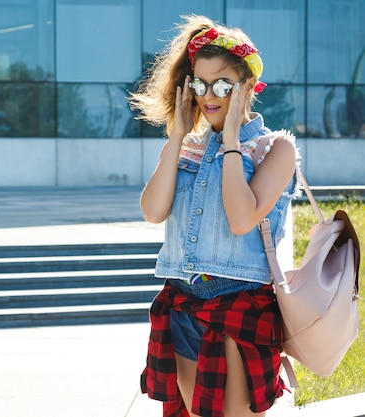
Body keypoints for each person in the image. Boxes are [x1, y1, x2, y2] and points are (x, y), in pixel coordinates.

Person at [128, 15, 300, 417]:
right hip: (184, 301)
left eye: (222, 84)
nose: (210, 95)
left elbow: (242, 219)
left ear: (247, 87)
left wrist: (231, 143)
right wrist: (177, 135)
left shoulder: (274, 149)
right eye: (200, 84)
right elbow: (153, 211)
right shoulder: (184, 148)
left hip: (239, 302)